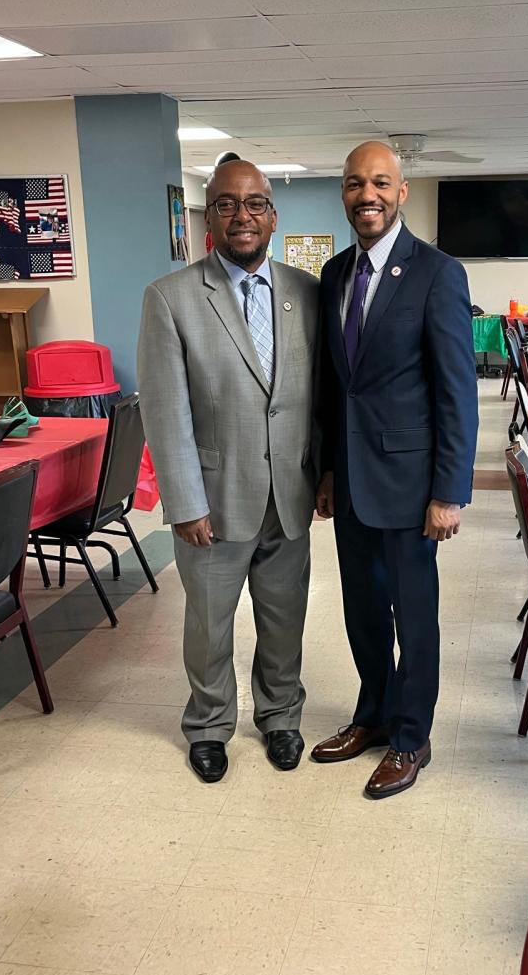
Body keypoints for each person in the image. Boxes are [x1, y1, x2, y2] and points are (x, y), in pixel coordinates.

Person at [137, 160, 319, 784]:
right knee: (209, 625)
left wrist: (321, 475)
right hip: (212, 502)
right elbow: (164, 410)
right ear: (208, 216)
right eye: (225, 205)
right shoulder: (171, 297)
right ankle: (210, 725)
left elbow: (316, 397)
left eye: (255, 204)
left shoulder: (306, 292)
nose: (242, 216)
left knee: (284, 616)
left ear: (273, 214)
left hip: (289, 497)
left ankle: (281, 715)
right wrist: (184, 501)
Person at [313, 141, 478, 798]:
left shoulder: (437, 273)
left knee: (413, 615)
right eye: (355, 183)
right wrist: (327, 470)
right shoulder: (332, 274)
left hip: (412, 488)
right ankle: (373, 715)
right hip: (351, 481)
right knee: (361, 611)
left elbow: (455, 390)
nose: (367, 195)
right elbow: (333, 385)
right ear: (344, 192)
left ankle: (412, 736)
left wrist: (449, 491)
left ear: (402, 191)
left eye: (381, 182)